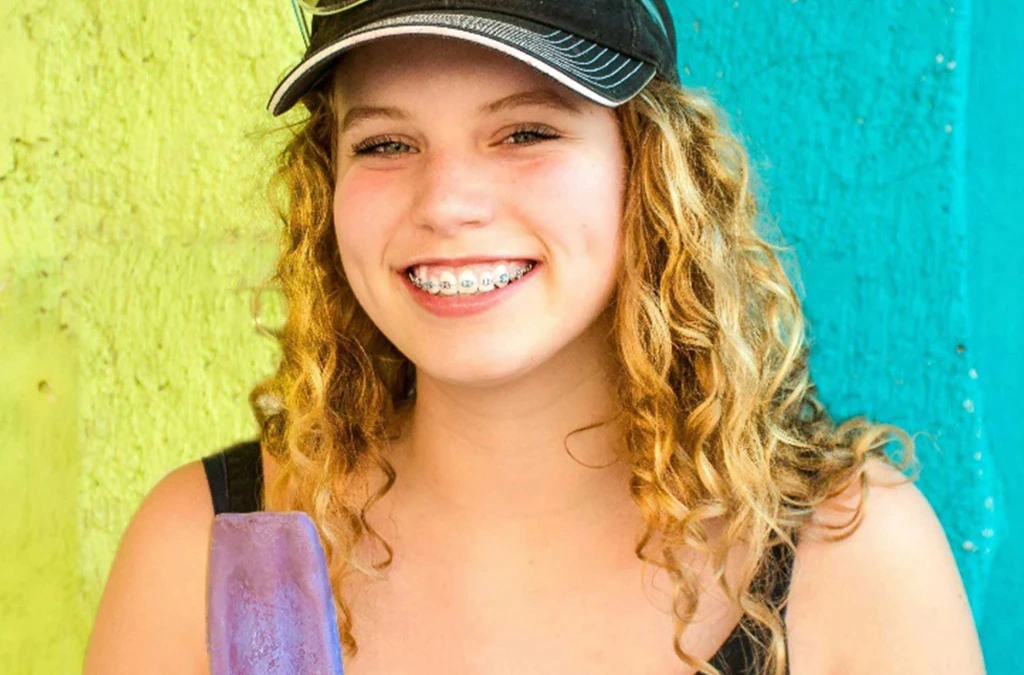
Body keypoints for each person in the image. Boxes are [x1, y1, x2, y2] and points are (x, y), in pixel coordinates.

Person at [83, 1, 986, 673]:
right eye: (386, 145)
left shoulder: (847, 560)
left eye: (524, 131)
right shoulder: (201, 547)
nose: (446, 204)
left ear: (651, 171)